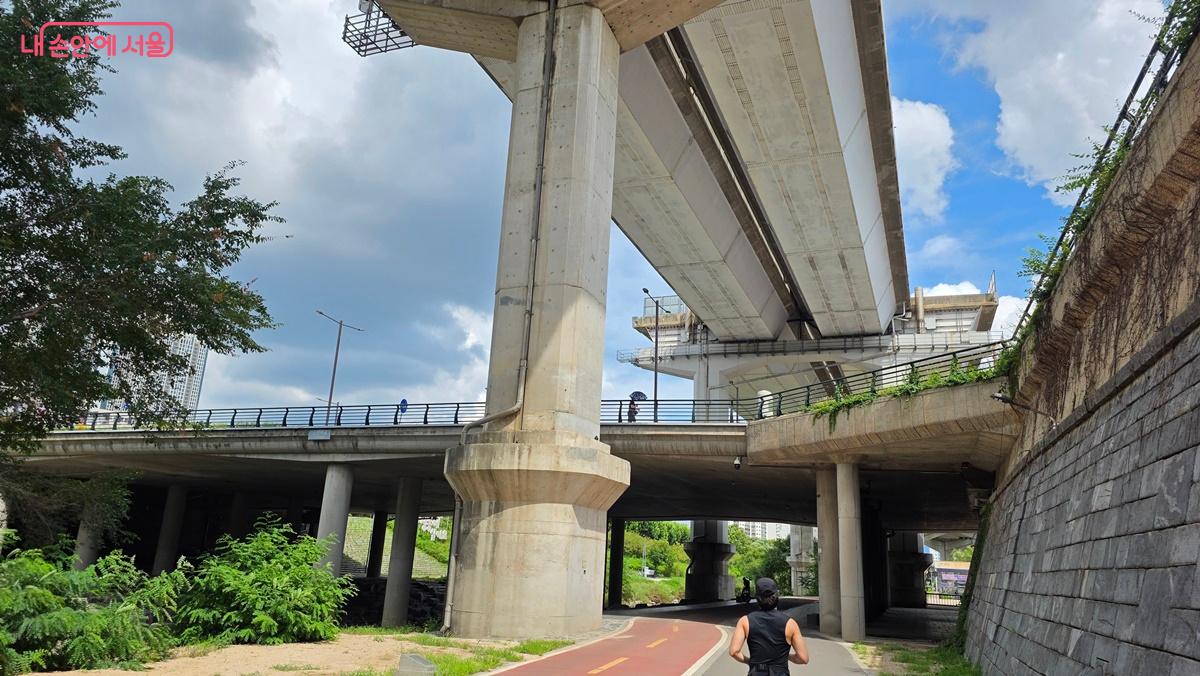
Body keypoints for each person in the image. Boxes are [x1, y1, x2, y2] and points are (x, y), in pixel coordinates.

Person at [728, 577, 809, 674]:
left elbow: (734, 652)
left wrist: (749, 662)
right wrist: (786, 656)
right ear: (776, 597)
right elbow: (803, 658)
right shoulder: (790, 623)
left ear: (758, 598)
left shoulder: (745, 621)